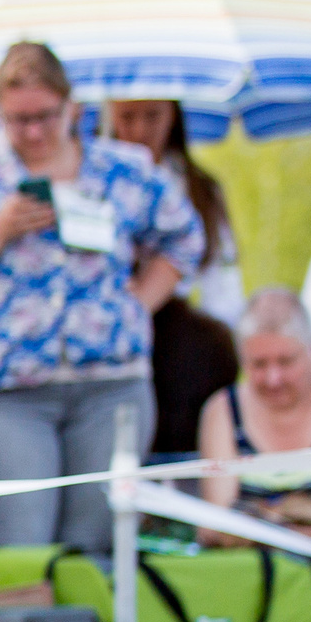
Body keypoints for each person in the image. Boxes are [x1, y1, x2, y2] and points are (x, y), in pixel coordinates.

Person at [0, 42, 204, 556]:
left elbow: (186, 238)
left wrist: (139, 304)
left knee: (96, 548)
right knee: (16, 548)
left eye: (45, 116)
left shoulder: (122, 170)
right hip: (8, 390)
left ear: (73, 108)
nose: (34, 132)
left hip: (110, 386)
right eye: (18, 120)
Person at [195, 287, 311, 622]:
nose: (272, 378)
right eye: (258, 365)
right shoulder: (223, 411)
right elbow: (215, 520)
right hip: (255, 562)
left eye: (286, 362)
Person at [105, 99, 241, 454]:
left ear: (173, 116)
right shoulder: (93, 179)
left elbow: (221, 283)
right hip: (109, 338)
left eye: (152, 117)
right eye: (127, 117)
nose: (139, 130)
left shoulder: (199, 188)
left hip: (181, 346)